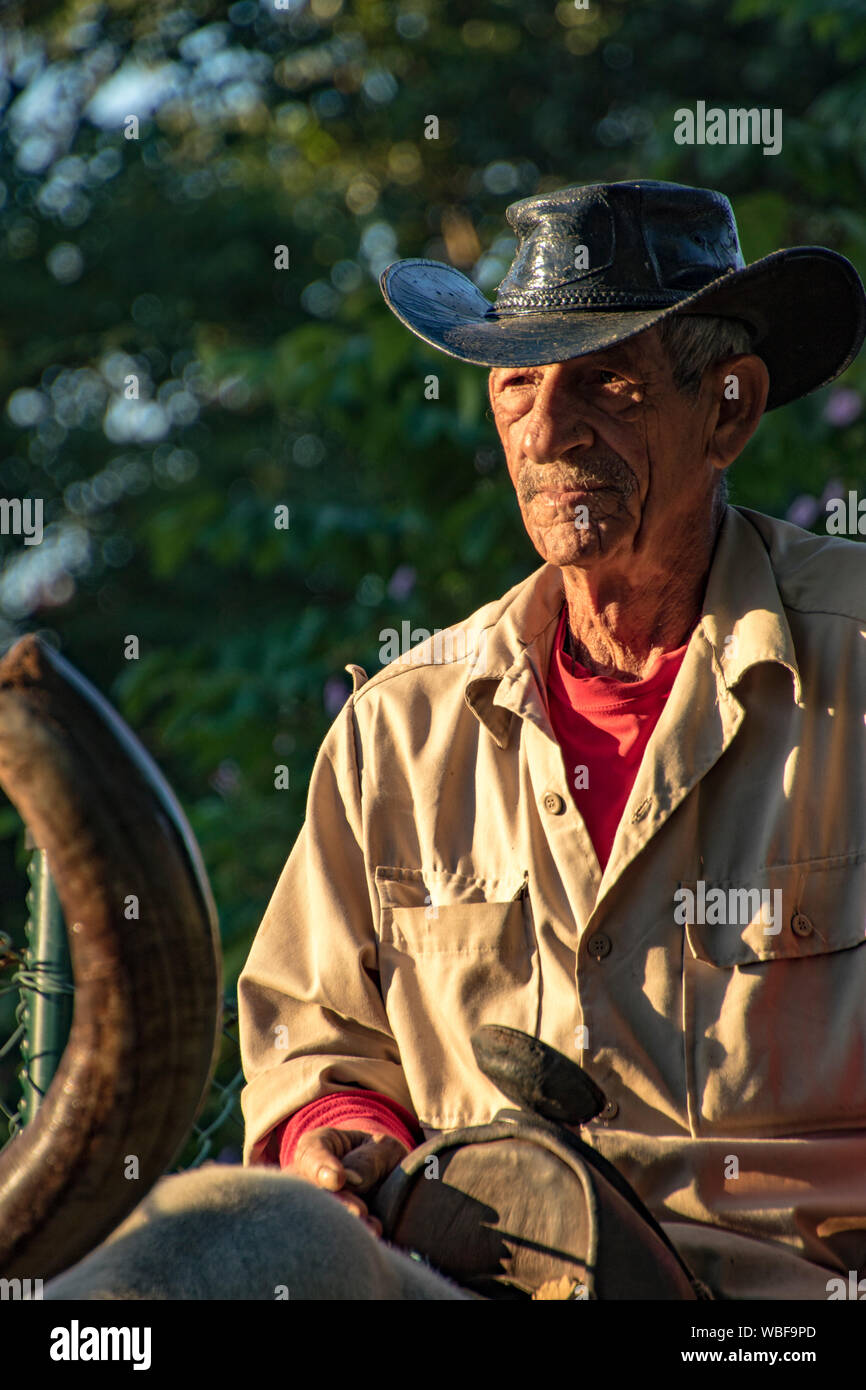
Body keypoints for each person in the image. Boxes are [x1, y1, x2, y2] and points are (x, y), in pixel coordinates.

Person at [238, 179, 866, 1299]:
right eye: (516, 384)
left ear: (725, 410)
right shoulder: (401, 726)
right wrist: (329, 1132)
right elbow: (314, 1039)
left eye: (603, 385)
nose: (541, 429)